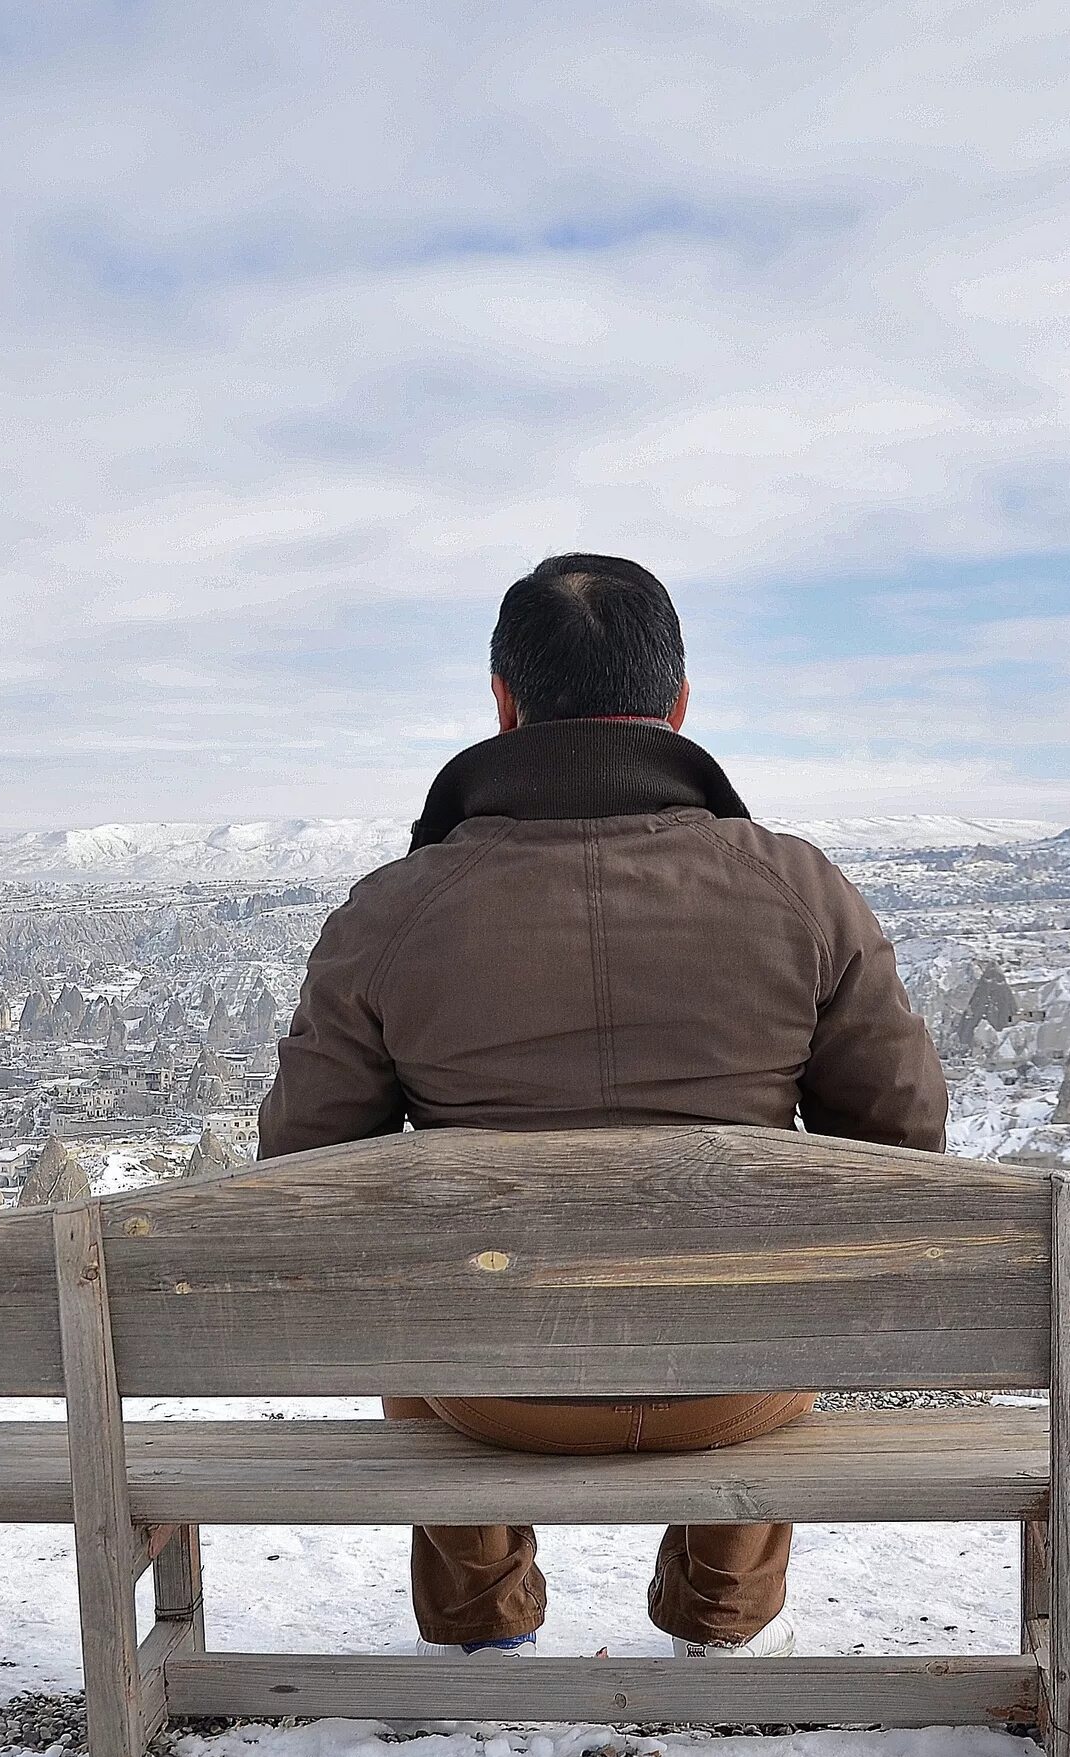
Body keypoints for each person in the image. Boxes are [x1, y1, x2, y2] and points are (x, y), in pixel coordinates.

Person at [256, 553, 948, 1657]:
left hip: (486, 1392)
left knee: (414, 1306)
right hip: (738, 1385)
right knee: (773, 1287)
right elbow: (901, 1146)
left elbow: (304, 1173)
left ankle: (483, 1623)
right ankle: (716, 1621)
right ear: (677, 709)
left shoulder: (393, 910)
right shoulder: (799, 890)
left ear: (501, 706)